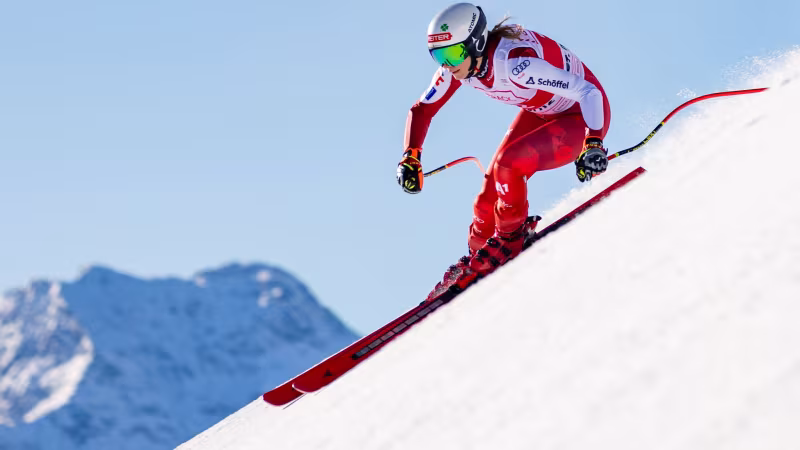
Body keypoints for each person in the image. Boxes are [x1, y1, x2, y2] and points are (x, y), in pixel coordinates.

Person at [396, 3, 611, 299]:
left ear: (477, 43)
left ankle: (510, 240)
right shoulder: (460, 66)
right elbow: (423, 109)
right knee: (486, 201)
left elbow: (589, 93)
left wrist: (594, 142)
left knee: (509, 165)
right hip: (541, 111)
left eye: (453, 54)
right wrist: (411, 156)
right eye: (438, 56)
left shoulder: (517, 65)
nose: (447, 65)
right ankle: (477, 258)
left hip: (580, 118)